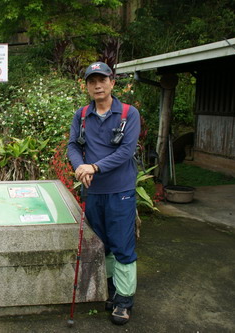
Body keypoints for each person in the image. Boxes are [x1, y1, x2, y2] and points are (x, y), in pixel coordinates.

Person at [67, 61, 141, 325]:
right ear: (87, 86)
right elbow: (73, 145)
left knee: (122, 246)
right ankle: (111, 291)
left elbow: (125, 152)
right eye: (92, 81)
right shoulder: (82, 114)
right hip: (93, 191)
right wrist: (80, 168)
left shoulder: (128, 114)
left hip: (119, 190)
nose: (97, 85)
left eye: (102, 79)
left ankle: (124, 300)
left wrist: (94, 166)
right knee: (103, 245)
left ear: (112, 81)